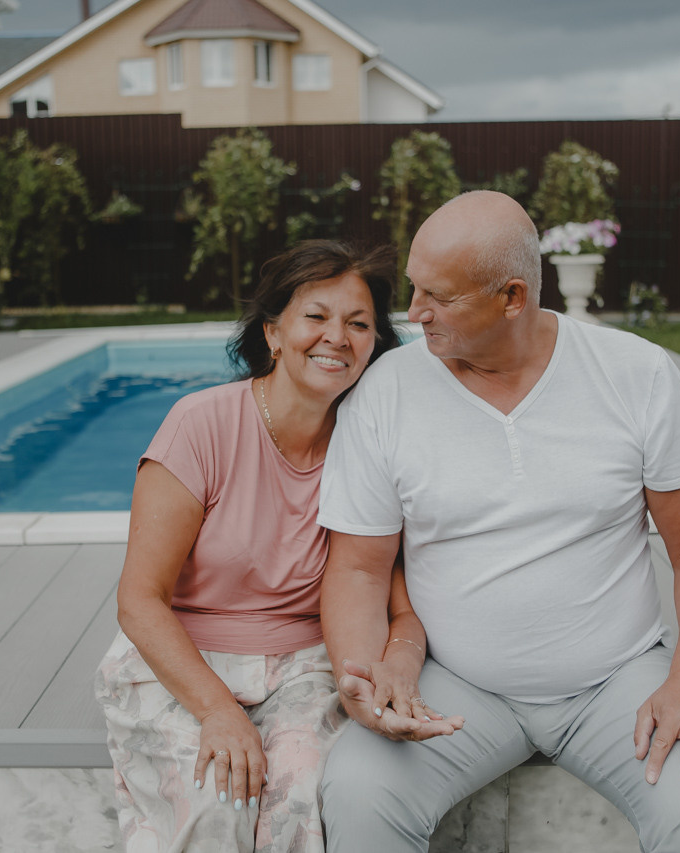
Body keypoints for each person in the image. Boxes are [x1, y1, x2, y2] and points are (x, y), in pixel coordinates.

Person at [317, 191, 680, 852]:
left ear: (512, 297)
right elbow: (357, 568)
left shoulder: (635, 374)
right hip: (455, 683)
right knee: (357, 792)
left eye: (439, 296)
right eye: (414, 287)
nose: (414, 312)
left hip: (617, 681)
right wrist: (365, 675)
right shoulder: (386, 392)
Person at [94, 240, 457, 853]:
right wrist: (218, 711)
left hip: (304, 669)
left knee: (300, 801)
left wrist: (399, 662)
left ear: (375, 345)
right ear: (273, 333)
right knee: (217, 803)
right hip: (184, 660)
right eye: (316, 316)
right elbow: (139, 600)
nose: (337, 337)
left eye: (359, 324)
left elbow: (400, 609)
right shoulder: (200, 424)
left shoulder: (370, 445)